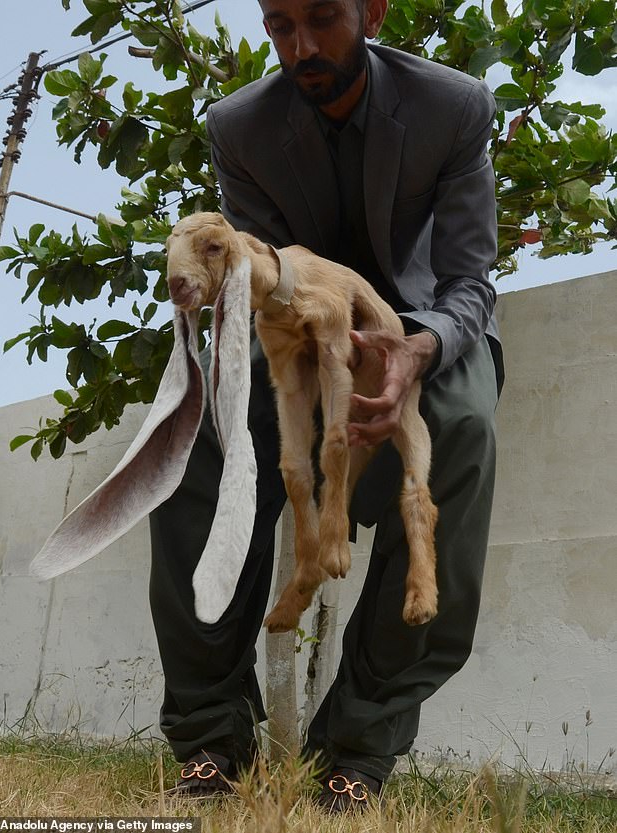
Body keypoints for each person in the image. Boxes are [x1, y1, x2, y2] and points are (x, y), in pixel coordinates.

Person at [149, 0, 504, 813]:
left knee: (462, 429)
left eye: (322, 19)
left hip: (419, 330)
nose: (300, 46)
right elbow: (263, 274)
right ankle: (209, 734)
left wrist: (418, 351)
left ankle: (359, 745)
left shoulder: (453, 106)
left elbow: (470, 279)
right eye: (280, 25)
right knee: (201, 438)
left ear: (371, 12)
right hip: (298, 331)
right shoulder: (238, 128)